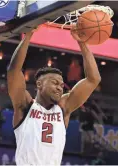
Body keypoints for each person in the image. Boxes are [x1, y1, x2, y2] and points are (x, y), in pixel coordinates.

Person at [7, 25, 101, 165]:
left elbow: (94, 79)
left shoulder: (63, 108)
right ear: (39, 84)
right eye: (54, 83)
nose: (59, 88)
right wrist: (28, 36)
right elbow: (14, 71)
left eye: (62, 85)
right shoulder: (25, 105)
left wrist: (82, 42)